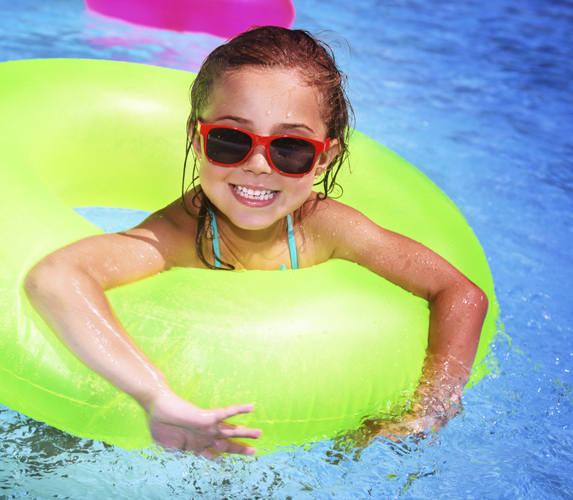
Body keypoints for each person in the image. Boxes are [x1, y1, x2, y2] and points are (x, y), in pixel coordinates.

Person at [25, 27, 488, 459]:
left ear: (325, 158)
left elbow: (462, 294)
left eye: (291, 148)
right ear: (196, 137)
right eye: (230, 140)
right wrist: (155, 396)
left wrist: (431, 408)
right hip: (162, 426)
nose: (259, 166)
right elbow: (55, 278)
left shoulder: (325, 228)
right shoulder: (178, 235)